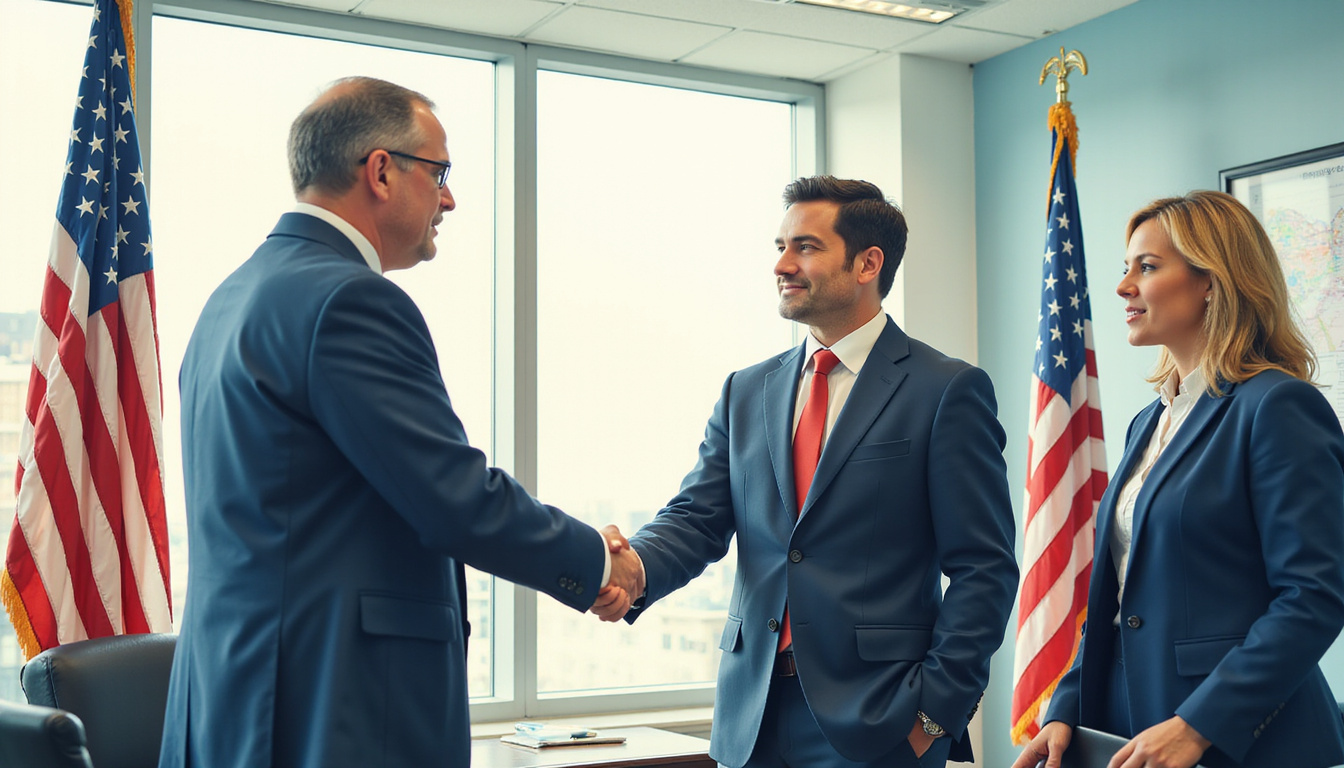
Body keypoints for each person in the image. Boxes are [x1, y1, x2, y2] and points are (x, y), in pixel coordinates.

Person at [158, 77, 644, 768]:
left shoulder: (230, 299)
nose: (449, 198)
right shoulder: (350, 301)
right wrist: (595, 558)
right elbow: (454, 499)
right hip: (334, 711)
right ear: (381, 170)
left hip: (232, 703)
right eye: (439, 172)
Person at [591, 176, 1019, 767]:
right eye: (779, 246)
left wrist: (933, 715)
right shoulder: (746, 390)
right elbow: (697, 519)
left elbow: (984, 569)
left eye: (806, 248)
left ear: (869, 263)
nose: (782, 265)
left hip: (881, 725)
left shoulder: (946, 390)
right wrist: (632, 567)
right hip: (752, 716)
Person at [1011, 190, 1344, 768]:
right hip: (1124, 725)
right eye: (1126, 268)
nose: (1123, 287)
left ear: (1211, 280)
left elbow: (1314, 596)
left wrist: (1199, 724)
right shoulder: (1150, 420)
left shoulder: (1277, 406)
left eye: (1148, 266)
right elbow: (1121, 594)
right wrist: (1067, 703)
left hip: (1242, 739)